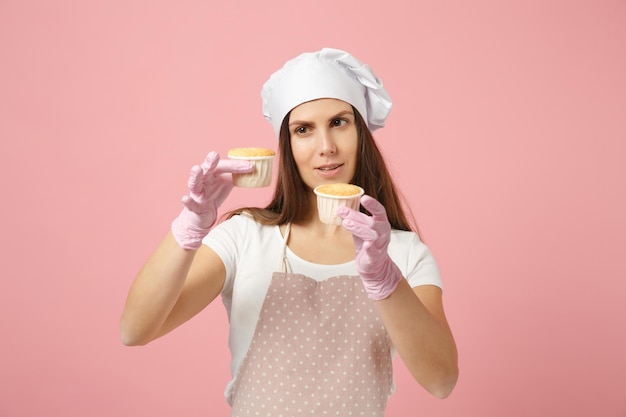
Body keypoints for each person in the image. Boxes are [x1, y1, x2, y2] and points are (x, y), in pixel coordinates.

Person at [120, 47, 458, 416]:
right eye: (304, 130)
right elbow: (135, 331)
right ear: (288, 145)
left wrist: (385, 280)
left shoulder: (404, 252)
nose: (326, 147)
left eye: (339, 122)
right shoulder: (245, 237)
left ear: (361, 132)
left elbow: (441, 381)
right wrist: (188, 229)